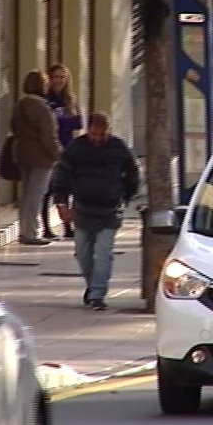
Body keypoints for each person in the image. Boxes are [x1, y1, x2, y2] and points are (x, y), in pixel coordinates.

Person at [51, 113, 139, 311]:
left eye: (102, 134)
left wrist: (126, 196)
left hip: (109, 209)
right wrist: (61, 204)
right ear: (87, 131)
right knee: (82, 253)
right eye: (94, 134)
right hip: (83, 208)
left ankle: (97, 294)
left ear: (108, 131)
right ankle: (92, 287)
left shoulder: (119, 148)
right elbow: (61, 176)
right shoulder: (76, 148)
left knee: (103, 253)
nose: (97, 138)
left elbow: (132, 172)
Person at [10, 70, 62, 245]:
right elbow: (49, 136)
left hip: (22, 152)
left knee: (26, 194)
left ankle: (24, 230)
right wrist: (58, 155)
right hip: (41, 156)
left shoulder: (20, 105)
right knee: (36, 194)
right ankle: (31, 232)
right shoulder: (42, 107)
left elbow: (14, 127)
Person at [42, 63, 83, 239]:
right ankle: (45, 226)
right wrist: (65, 122)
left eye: (62, 77)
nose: (59, 81)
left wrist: (63, 122)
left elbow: (79, 122)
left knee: (68, 188)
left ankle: (68, 225)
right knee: (49, 190)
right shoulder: (46, 99)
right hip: (50, 149)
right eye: (55, 77)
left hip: (69, 148)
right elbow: (53, 125)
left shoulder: (70, 100)